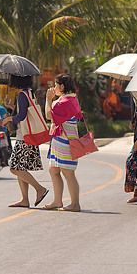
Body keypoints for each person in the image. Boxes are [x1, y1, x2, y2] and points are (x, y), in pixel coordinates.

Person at [5, 74, 49, 208]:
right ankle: (24, 199)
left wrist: (9, 119)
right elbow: (25, 111)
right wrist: (12, 107)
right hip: (27, 136)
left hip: (24, 137)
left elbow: (22, 115)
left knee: (14, 168)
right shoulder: (30, 93)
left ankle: (39, 189)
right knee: (20, 168)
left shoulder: (22, 95)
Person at [45, 74, 85, 212]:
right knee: (54, 169)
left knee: (68, 172)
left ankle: (75, 204)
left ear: (62, 86)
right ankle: (58, 201)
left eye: (56, 85)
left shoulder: (64, 101)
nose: (54, 88)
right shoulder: (71, 99)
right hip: (62, 139)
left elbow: (49, 115)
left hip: (64, 140)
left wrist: (48, 99)